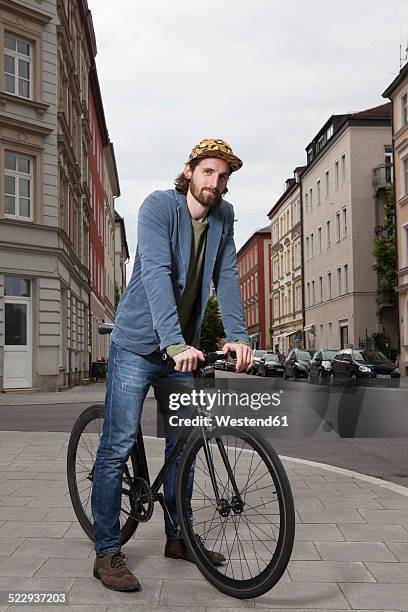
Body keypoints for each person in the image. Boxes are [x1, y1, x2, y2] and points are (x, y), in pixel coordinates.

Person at [91, 138, 252, 591]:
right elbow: (158, 274)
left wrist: (237, 335)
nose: (215, 183)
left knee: (184, 447)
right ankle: (107, 552)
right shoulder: (158, 207)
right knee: (117, 443)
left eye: (223, 176)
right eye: (208, 173)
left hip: (183, 350)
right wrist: (173, 342)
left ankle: (178, 537)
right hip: (141, 344)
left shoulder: (223, 216)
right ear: (189, 171)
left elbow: (228, 276)